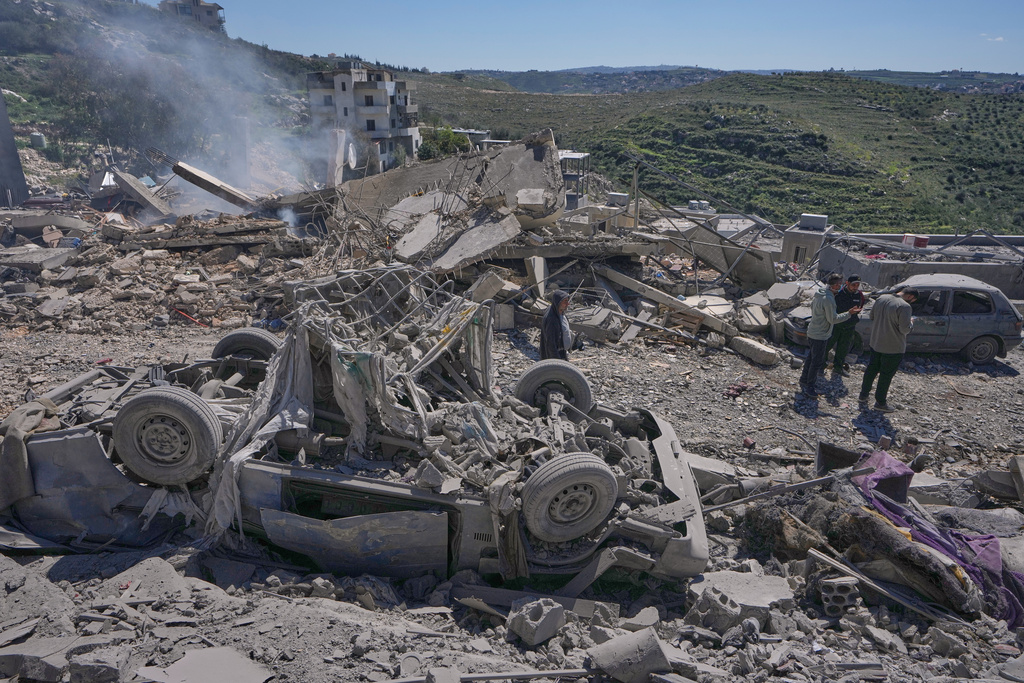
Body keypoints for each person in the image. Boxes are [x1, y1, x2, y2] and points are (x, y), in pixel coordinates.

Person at [797, 273, 862, 399]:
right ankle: (810, 387)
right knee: (816, 362)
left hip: (813, 331)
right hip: (820, 334)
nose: (839, 286)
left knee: (811, 357)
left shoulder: (819, 294)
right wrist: (849, 313)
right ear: (832, 285)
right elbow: (833, 319)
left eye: (840, 284)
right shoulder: (828, 298)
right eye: (838, 284)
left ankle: (804, 379)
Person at [858, 287, 918, 412]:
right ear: (910, 297)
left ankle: (863, 395)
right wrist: (911, 323)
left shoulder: (881, 298)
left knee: (871, 369)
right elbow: (905, 329)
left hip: (876, 343)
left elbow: (872, 316)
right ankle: (880, 402)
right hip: (893, 347)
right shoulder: (905, 307)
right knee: (886, 375)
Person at [825, 274, 866, 378]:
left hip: (849, 326)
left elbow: (861, 305)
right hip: (836, 325)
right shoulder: (838, 293)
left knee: (843, 349)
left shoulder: (859, 295)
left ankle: (838, 368)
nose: (855, 287)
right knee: (827, 346)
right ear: (847, 283)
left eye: (857, 285)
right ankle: (820, 366)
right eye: (853, 285)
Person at [540, 290, 571, 360]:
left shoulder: (560, 312)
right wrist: (556, 361)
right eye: (565, 301)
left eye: (567, 301)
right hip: (555, 357)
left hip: (562, 353)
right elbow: (550, 343)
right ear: (558, 302)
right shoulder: (552, 319)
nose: (568, 303)